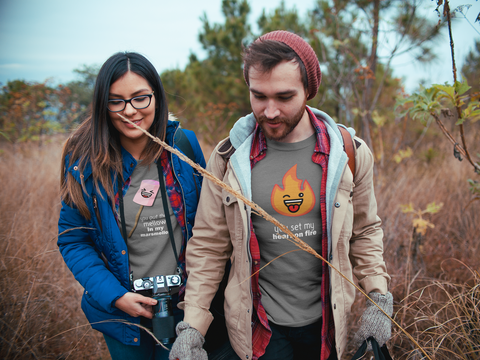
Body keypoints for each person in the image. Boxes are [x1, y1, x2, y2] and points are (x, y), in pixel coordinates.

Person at [169, 31, 392, 360]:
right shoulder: (230, 158)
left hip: (328, 325)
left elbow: (365, 231)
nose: (269, 111)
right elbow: (208, 245)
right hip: (261, 326)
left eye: (284, 97)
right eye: (258, 96)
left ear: (308, 91)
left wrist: (378, 298)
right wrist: (192, 326)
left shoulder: (348, 154)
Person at [57, 51, 206, 360]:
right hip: (123, 317)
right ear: (103, 104)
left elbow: (209, 227)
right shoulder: (86, 161)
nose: (130, 111)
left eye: (140, 98)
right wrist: (116, 296)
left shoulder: (183, 147)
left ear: (156, 96)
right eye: (116, 101)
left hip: (185, 308)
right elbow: (73, 238)